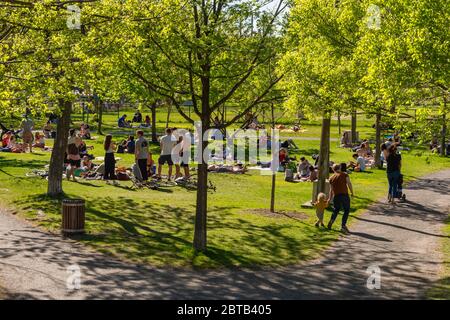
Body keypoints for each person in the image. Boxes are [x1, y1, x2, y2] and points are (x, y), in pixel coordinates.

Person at [327, 164, 354, 233]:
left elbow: (331, 190)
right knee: (346, 210)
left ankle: (331, 221)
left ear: (333, 169)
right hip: (344, 195)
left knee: (336, 209)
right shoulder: (344, 174)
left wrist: (329, 199)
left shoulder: (331, 178)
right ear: (340, 168)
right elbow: (349, 183)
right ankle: (343, 226)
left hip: (336, 196)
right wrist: (352, 192)